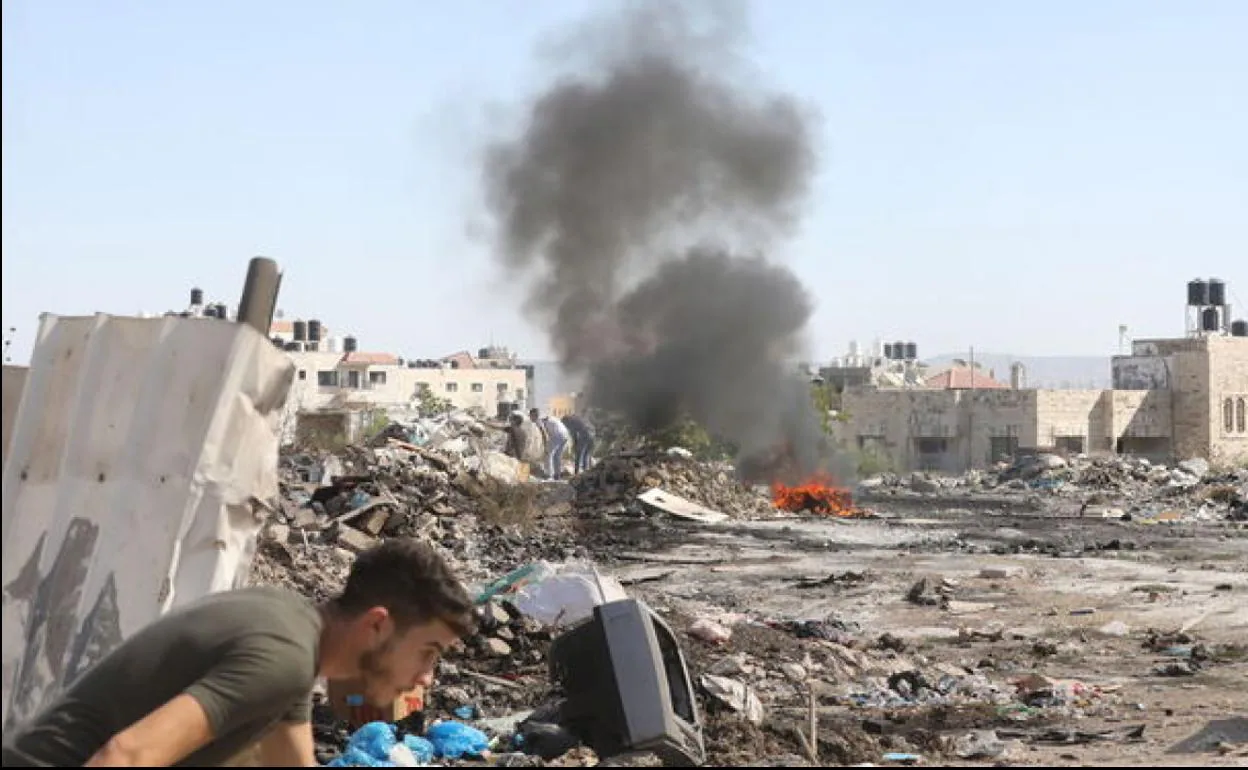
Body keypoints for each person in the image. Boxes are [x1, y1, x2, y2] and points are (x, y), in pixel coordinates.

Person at [1, 539, 474, 768]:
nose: (426, 678)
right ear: (377, 625)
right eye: (428, 652)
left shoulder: (294, 631)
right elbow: (124, 758)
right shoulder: (284, 659)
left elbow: (292, 763)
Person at [531, 408, 570, 480]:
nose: (531, 418)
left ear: (534, 415)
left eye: (531, 416)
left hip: (557, 435)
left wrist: (545, 445)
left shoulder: (538, 420)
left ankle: (549, 475)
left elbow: (543, 433)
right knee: (557, 456)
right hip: (565, 435)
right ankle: (557, 475)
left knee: (548, 454)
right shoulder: (546, 417)